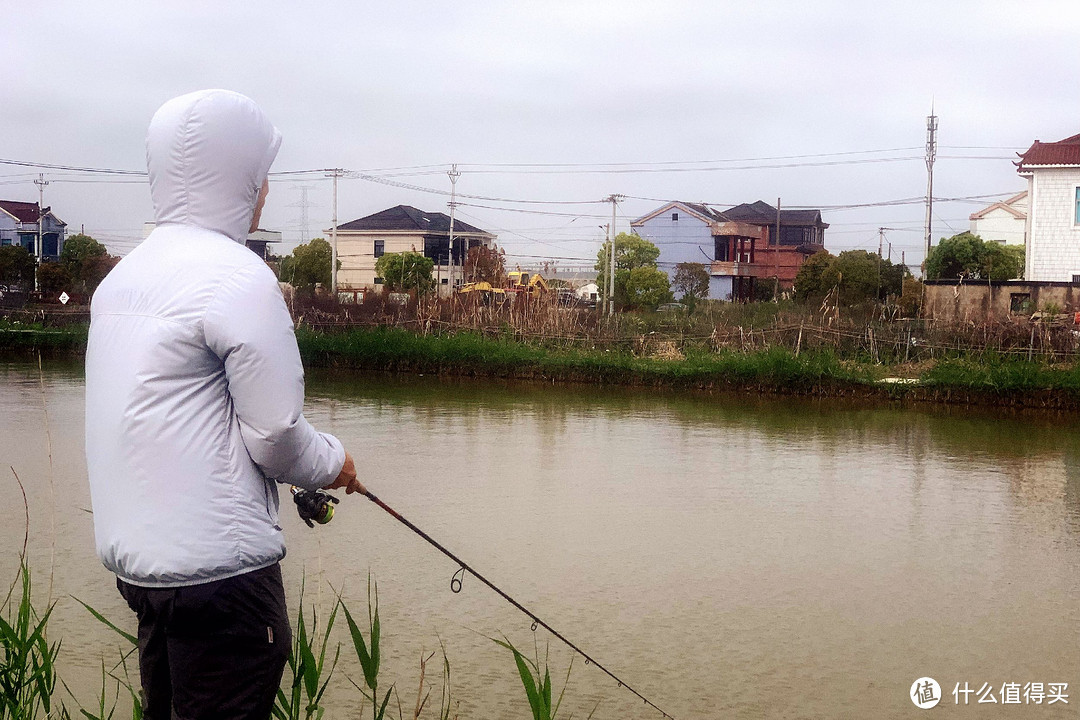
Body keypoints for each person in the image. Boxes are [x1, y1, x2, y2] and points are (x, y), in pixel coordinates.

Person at [84, 89, 363, 720]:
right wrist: (336, 463)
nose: (264, 193)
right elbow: (276, 436)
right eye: (260, 178)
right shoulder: (239, 276)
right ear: (239, 180)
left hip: (145, 574)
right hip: (222, 577)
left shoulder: (119, 281)